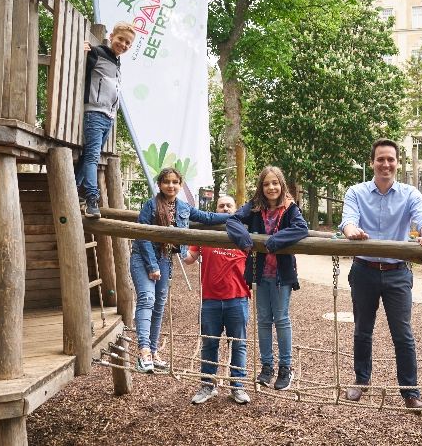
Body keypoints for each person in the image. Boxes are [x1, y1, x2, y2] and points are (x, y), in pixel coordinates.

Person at [340, 138, 422, 411]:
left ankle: (410, 390)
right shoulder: (356, 192)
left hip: (397, 272)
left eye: (390, 159)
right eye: (380, 159)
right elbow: (348, 219)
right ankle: (361, 380)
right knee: (362, 330)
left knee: (403, 333)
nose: (386, 164)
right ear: (372, 162)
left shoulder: (409, 194)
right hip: (364, 270)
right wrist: (351, 232)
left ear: (397, 163)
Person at [131, 168, 230, 373]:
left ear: (180, 184)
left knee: (159, 305)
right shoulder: (150, 205)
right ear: (159, 185)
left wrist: (234, 216)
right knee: (147, 298)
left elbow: (207, 217)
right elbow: (142, 236)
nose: (171, 185)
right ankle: (143, 352)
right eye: (166, 182)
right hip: (144, 257)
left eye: (175, 182)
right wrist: (152, 266)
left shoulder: (183, 207)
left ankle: (153, 348)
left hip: (166, 258)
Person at [226, 166, 309, 391]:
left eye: (275, 183)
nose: (271, 187)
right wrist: (245, 240)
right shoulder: (254, 208)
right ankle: (266, 366)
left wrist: (273, 241)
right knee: (263, 319)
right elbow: (232, 221)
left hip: (282, 274)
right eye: (266, 184)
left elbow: (301, 229)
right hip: (260, 272)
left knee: (281, 318)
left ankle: (285, 367)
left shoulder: (290, 209)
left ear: (281, 185)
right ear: (261, 188)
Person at [184, 195, 251, 405]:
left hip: (238, 298)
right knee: (209, 344)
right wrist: (171, 243)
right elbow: (189, 259)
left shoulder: (244, 232)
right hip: (211, 299)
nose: (224, 208)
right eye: (221, 205)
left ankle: (237, 387)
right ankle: (207, 385)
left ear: (235, 209)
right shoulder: (205, 232)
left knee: (238, 345)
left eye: (228, 205)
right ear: (215, 209)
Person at [75, 22, 136, 218]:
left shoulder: (117, 62)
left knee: (88, 157)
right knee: (92, 157)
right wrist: (82, 49)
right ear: (111, 37)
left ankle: (75, 190)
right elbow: (77, 63)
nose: (123, 44)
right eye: (120, 39)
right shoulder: (97, 53)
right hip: (95, 112)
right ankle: (92, 200)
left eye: (128, 42)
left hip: (108, 117)